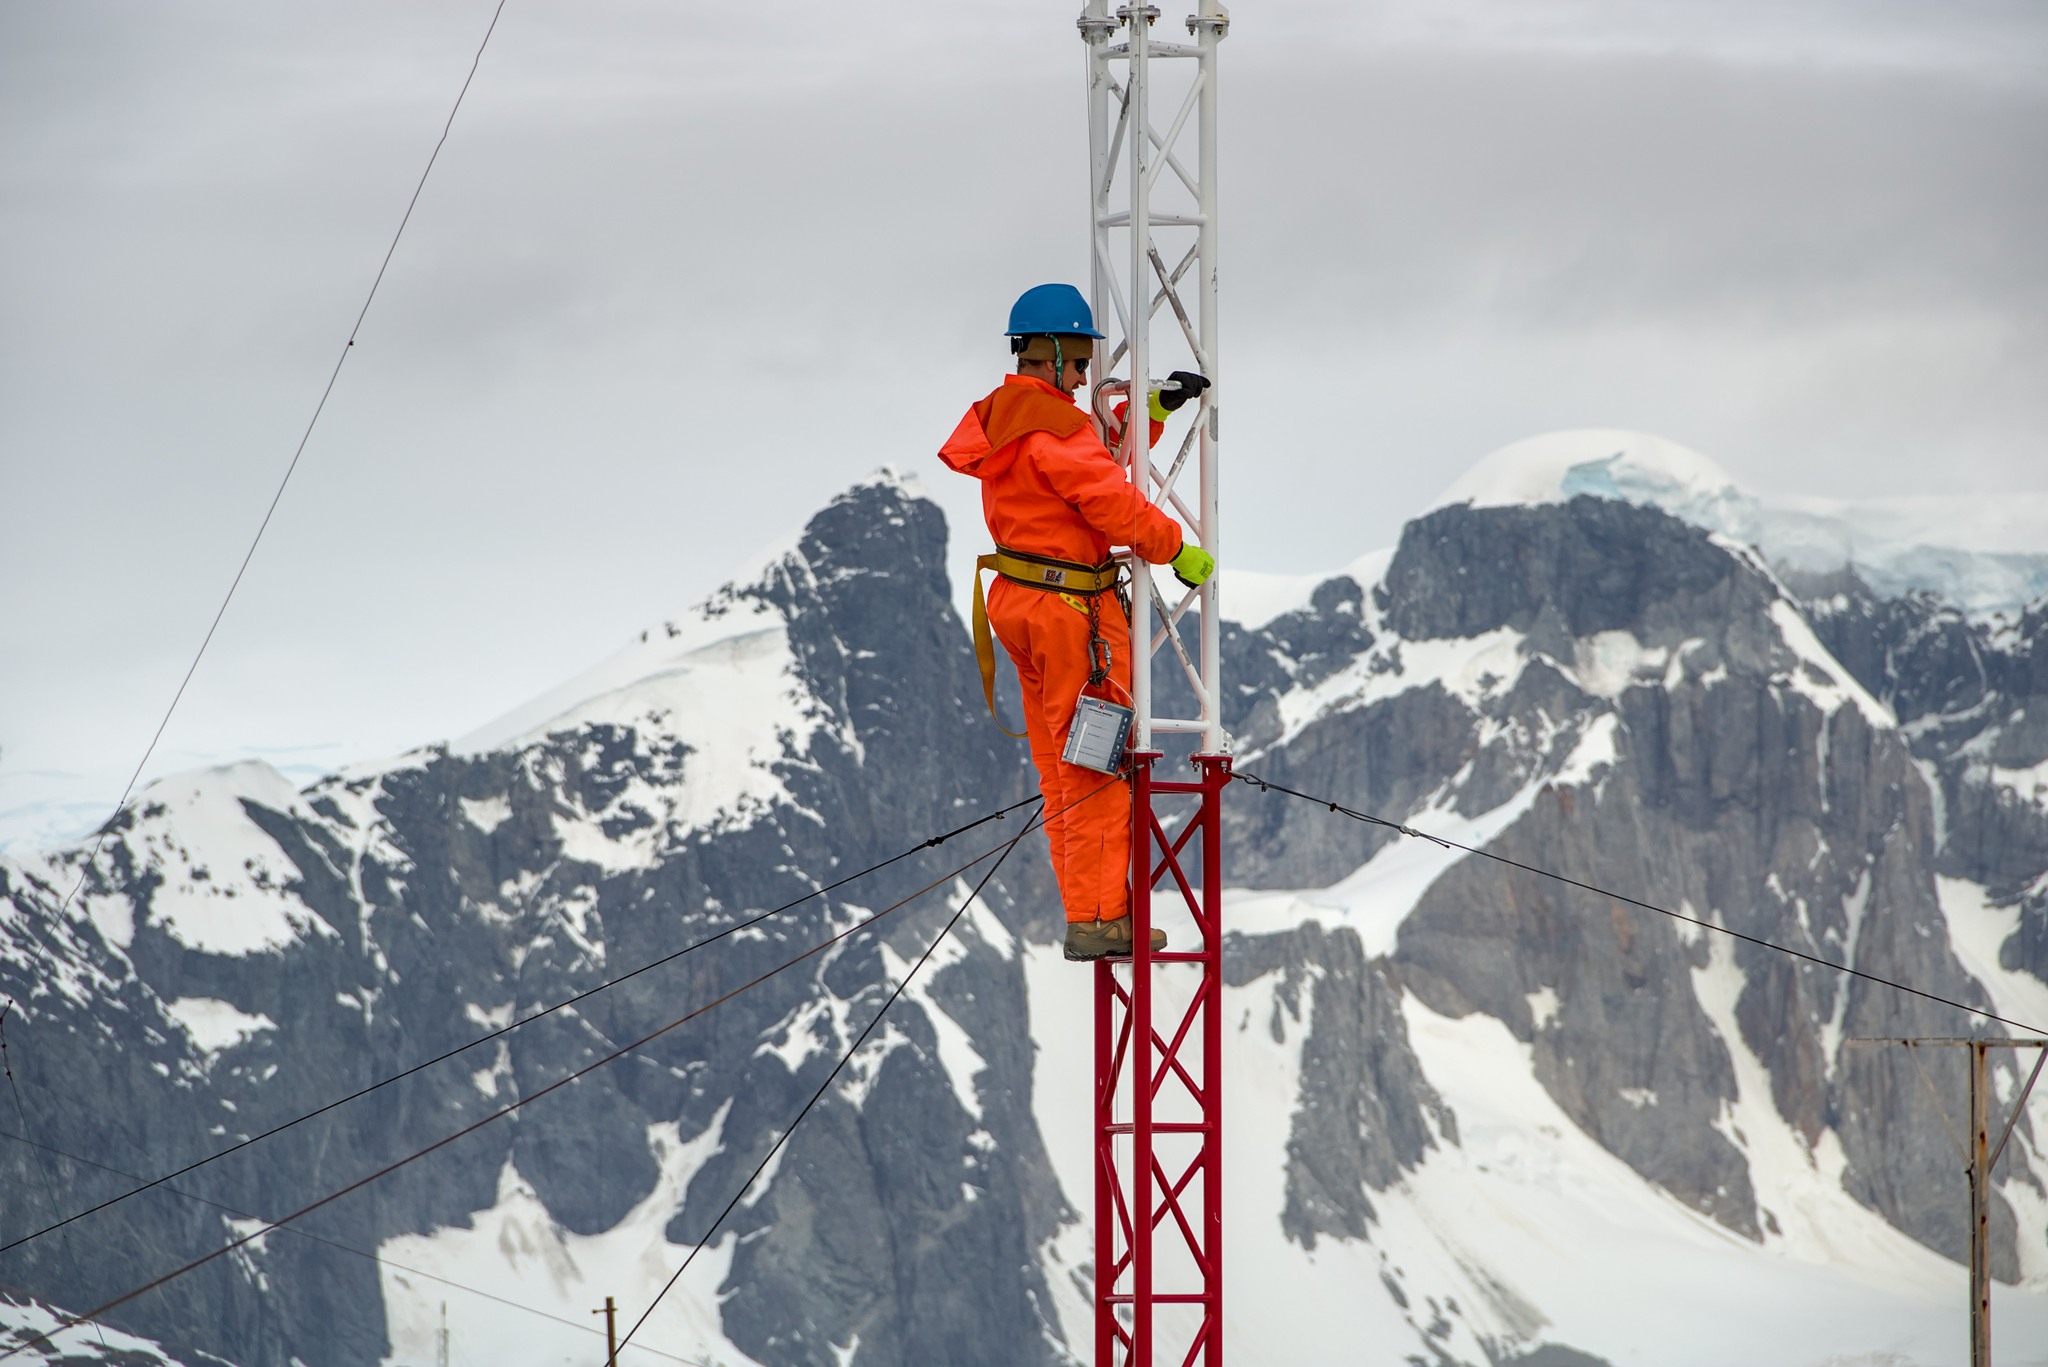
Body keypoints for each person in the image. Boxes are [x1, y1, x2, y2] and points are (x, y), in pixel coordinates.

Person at [937, 283, 1213, 961]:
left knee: (1060, 769)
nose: (1087, 375)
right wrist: (1175, 548)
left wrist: (1149, 415)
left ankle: (1086, 911)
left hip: (1021, 603)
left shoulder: (1008, 417)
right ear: (1054, 351)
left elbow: (1090, 459)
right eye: (1082, 360)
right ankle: (1098, 918)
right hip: (1071, 615)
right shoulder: (1053, 426)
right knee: (1095, 764)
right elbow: (1108, 499)